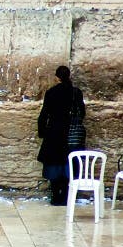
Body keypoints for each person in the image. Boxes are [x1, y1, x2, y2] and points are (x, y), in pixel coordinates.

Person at [37, 66, 85, 206]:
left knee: (54, 165)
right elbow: (81, 113)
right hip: (71, 134)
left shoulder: (51, 92)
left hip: (54, 133)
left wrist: (42, 132)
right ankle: (65, 196)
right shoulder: (76, 92)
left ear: (57, 77)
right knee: (68, 165)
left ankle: (55, 196)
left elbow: (44, 114)